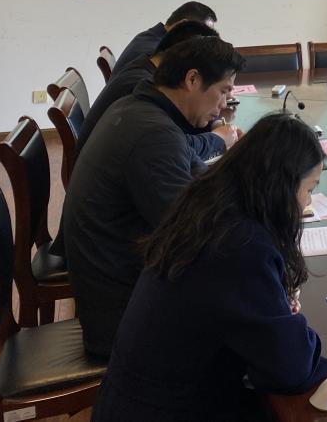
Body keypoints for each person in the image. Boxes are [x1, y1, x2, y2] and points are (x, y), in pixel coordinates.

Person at [92, 113, 327, 422]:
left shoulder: (208, 206)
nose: (305, 205)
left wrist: (273, 303)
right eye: (309, 189)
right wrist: (288, 319)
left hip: (131, 400)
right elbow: (292, 367)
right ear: (282, 186)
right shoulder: (241, 246)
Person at [63, 35, 245, 356]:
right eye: (223, 91)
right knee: (248, 322)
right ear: (192, 79)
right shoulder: (153, 134)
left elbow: (198, 179)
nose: (224, 105)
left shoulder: (139, 109)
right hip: (123, 316)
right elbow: (192, 235)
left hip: (118, 287)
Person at [78, 19, 234, 156]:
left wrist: (214, 122)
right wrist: (218, 139)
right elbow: (173, 145)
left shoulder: (148, 67)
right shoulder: (138, 85)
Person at [110, 0, 218, 76]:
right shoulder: (155, 53)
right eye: (203, 35)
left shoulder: (150, 37)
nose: (203, 43)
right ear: (183, 25)